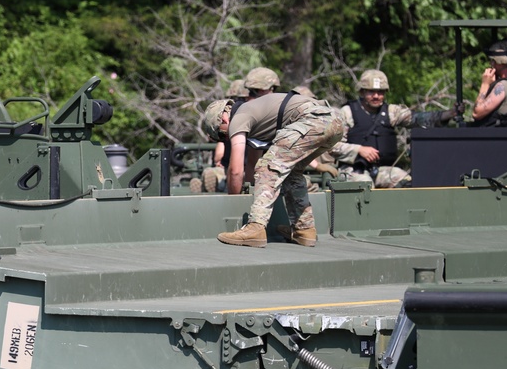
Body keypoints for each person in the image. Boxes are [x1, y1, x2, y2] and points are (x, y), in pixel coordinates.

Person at [202, 90, 344, 247]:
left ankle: (256, 228)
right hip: (333, 122)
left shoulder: (238, 117)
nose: (227, 138)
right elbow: (251, 163)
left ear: (222, 118)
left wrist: (234, 202)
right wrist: (250, 190)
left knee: (268, 168)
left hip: (312, 121)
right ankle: (304, 230)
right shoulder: (254, 115)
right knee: (292, 173)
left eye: (222, 135)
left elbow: (235, 170)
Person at [337, 70, 455, 188]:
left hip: (382, 170)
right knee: (364, 185)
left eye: (380, 92)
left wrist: (449, 114)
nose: (376, 96)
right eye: (371, 92)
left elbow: (418, 119)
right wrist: (359, 150)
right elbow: (332, 146)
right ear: (362, 92)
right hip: (353, 169)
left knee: (407, 181)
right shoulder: (347, 112)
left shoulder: (391, 112)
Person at [192, 78, 250, 193]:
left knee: (224, 177)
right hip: (246, 169)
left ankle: (214, 187)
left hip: (234, 169)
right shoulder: (250, 118)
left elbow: (218, 156)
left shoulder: (229, 127)